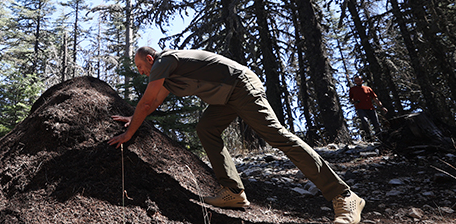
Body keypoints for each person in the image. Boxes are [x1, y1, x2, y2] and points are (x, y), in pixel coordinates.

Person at [108, 47, 365, 224]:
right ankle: (233, 191)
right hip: (225, 98)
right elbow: (151, 104)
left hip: (241, 86)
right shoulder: (166, 75)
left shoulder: (165, 61)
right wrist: (134, 118)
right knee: (206, 128)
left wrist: (130, 133)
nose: (141, 72)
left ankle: (344, 196)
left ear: (150, 60)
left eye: (140, 67)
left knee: (277, 137)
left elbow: (146, 101)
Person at [349, 74, 387, 140]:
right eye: (356, 81)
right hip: (360, 108)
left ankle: (380, 139)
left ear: (362, 81)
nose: (357, 82)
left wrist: (382, 107)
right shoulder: (352, 89)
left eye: (359, 80)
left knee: (376, 124)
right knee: (364, 121)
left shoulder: (368, 88)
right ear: (354, 82)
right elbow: (351, 99)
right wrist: (354, 102)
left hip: (371, 108)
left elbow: (375, 98)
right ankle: (369, 137)